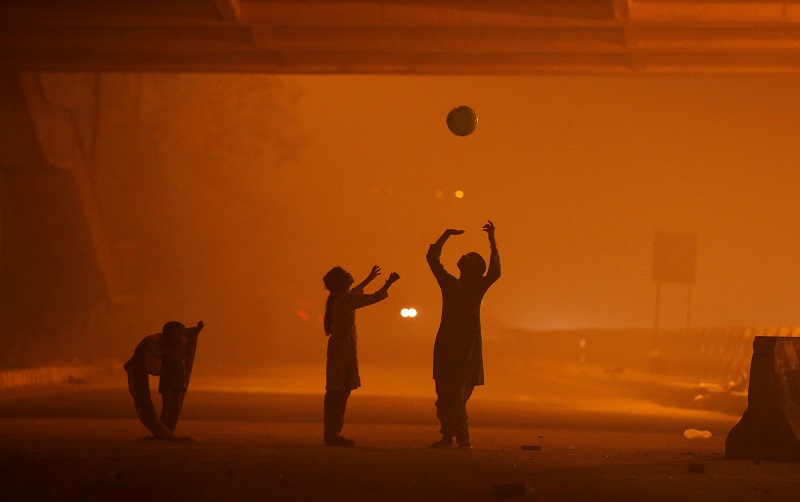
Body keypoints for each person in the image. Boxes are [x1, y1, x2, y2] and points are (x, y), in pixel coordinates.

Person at [427, 221, 500, 449]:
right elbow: (432, 259)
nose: (463, 257)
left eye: (469, 257)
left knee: (457, 395)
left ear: (476, 270)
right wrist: (445, 234)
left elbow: (495, 272)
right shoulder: (449, 283)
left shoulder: (477, 287)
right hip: (446, 344)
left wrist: (492, 240)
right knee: (443, 395)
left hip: (466, 347)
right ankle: (449, 435)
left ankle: (462, 437)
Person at [323, 265, 400, 447]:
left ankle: (333, 433)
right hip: (343, 350)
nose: (350, 273)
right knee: (339, 392)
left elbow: (356, 293)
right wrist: (388, 283)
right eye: (346, 274)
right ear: (342, 282)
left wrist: (369, 278)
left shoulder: (340, 298)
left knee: (338, 390)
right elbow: (372, 298)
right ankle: (333, 434)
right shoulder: (344, 300)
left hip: (341, 349)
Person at [123, 320, 204, 440]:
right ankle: (163, 430)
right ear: (171, 337)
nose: (183, 338)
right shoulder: (166, 350)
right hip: (168, 384)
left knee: (175, 406)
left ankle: (168, 430)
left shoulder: (180, 348)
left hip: (178, 383)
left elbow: (189, 338)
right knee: (168, 406)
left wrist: (197, 330)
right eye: (180, 335)